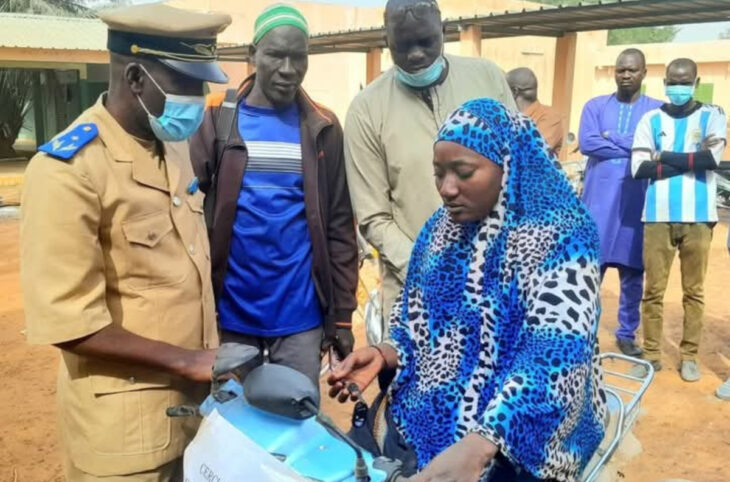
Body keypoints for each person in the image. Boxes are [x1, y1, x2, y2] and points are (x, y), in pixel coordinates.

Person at [330, 99, 606, 482]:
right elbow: (416, 324)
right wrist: (386, 352)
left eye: (463, 172)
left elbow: (553, 357)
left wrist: (482, 442)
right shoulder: (440, 231)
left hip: (525, 424)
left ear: (508, 166)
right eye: (438, 173)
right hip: (429, 407)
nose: (447, 189)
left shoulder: (563, 235)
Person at [20, 4, 230, 480]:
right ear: (136, 77)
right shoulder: (69, 171)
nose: (198, 99)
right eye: (186, 83)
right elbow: (67, 320)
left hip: (195, 418)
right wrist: (187, 359)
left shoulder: (170, 147)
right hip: (125, 432)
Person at [189, 4, 358, 386]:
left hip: (300, 318)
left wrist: (343, 317)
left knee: (296, 425)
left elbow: (338, 224)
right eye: (275, 55)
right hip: (230, 315)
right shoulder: (218, 118)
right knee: (232, 430)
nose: (287, 69)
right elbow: (188, 210)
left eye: (298, 57)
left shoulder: (324, 126)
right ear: (253, 55)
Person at [344, 0, 516, 323]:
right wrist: (431, 271)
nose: (415, 55)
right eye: (403, 45)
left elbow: (519, 171)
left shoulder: (488, 81)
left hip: (497, 286)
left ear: (445, 32)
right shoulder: (366, 111)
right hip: (416, 298)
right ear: (386, 41)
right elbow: (373, 216)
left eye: (425, 42)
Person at [631, 58, 727, 381]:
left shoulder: (713, 116)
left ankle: (689, 355)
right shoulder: (650, 119)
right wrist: (690, 161)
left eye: (684, 81)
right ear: (664, 82)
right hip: (658, 215)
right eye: (673, 80)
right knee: (653, 290)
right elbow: (638, 168)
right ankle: (652, 353)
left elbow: (712, 158)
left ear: (696, 82)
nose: (678, 86)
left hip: (699, 217)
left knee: (694, 291)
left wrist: (662, 155)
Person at [578, 48, 663, 357]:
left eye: (632, 70)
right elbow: (588, 143)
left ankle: (626, 333)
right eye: (620, 70)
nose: (626, 75)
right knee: (589, 275)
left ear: (644, 73)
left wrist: (611, 136)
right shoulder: (595, 106)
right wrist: (634, 147)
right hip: (598, 206)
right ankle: (585, 332)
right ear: (614, 72)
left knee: (632, 275)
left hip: (636, 204)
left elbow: (656, 150)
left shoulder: (657, 111)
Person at [506, 67, 565, 155]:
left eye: (504, 89)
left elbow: (532, 152)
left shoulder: (550, 118)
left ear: (514, 91)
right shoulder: (507, 116)